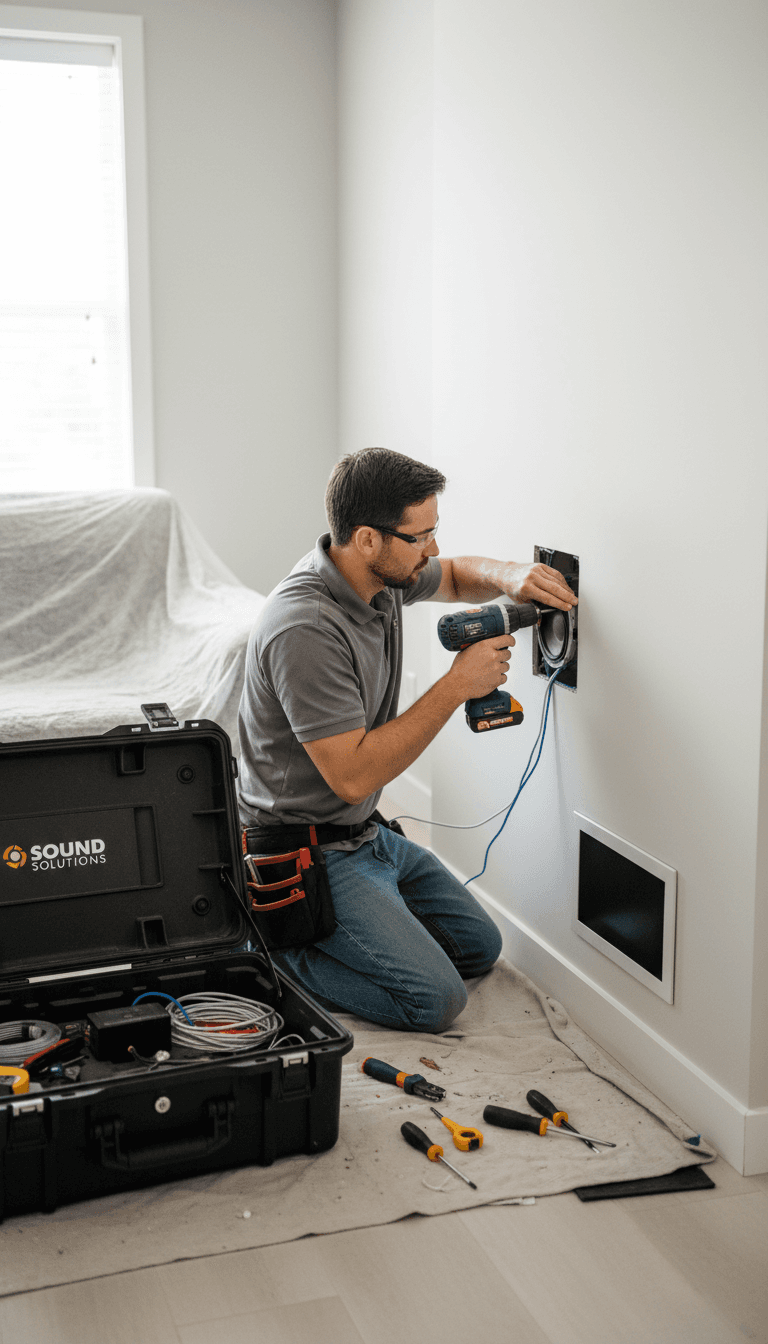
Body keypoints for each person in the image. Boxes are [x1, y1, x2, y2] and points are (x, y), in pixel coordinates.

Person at [237, 448, 577, 1032]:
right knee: (435, 1001)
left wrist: (508, 575)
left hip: (364, 834)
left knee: (477, 947)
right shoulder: (304, 628)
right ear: (367, 538)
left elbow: (452, 576)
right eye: (420, 536)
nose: (433, 548)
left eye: (434, 531)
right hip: (305, 850)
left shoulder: (376, 576)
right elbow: (354, 775)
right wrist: (457, 685)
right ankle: (273, 951)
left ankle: (365, 909)